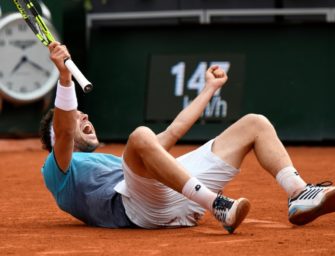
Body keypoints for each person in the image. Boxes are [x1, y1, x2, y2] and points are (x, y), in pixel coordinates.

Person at [40, 41, 335, 234]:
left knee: (254, 124)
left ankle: (298, 193)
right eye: (78, 116)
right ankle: (217, 205)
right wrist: (65, 78)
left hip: (171, 196)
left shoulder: (107, 163)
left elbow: (172, 133)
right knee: (140, 135)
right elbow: (65, 130)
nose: (85, 117)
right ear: (56, 136)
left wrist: (209, 89)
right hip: (140, 209)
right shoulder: (58, 171)